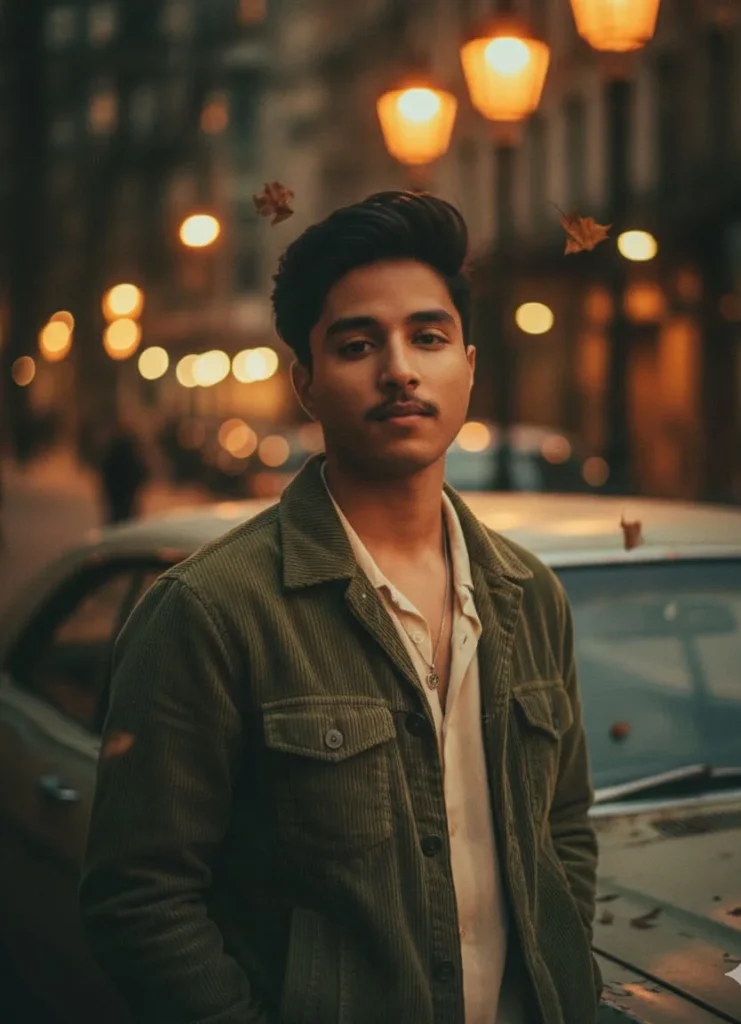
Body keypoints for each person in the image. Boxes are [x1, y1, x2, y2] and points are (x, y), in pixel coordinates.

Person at [79, 192, 602, 1024]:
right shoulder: (212, 610)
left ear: (468, 364)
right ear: (308, 383)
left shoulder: (531, 596)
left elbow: (563, 830)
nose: (399, 368)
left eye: (428, 338)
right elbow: (138, 897)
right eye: (358, 345)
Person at [98, 419, 149, 523]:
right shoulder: (131, 449)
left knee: (117, 516)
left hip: (118, 493)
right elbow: (140, 470)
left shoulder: (113, 449)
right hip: (126, 493)